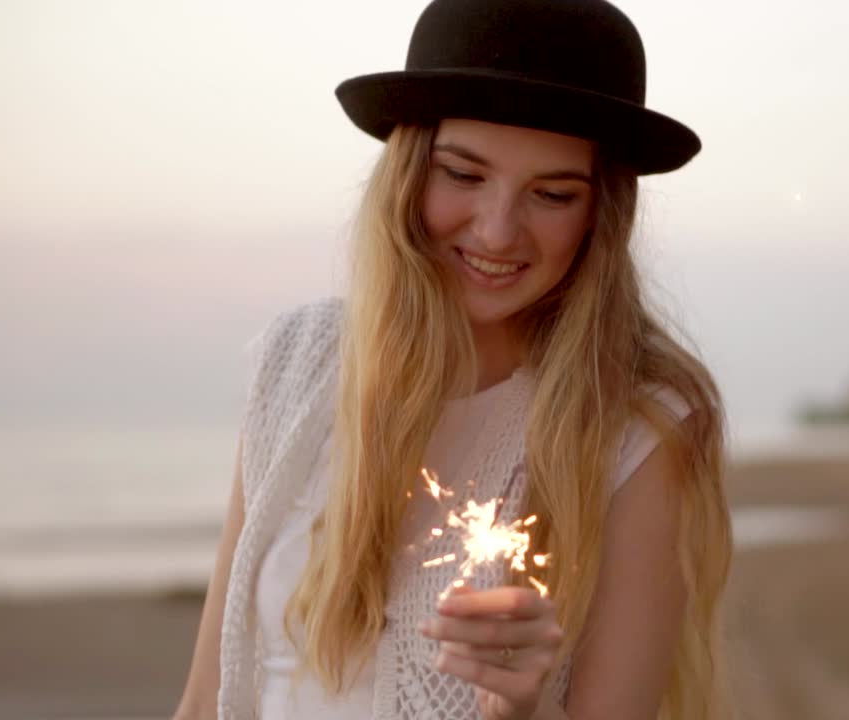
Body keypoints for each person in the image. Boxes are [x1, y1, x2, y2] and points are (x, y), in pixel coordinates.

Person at [173, 0, 732, 718]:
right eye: (464, 175)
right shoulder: (296, 366)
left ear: (602, 213)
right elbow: (202, 699)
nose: (498, 232)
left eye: (553, 193)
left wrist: (518, 707)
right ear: (407, 173)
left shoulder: (642, 427)